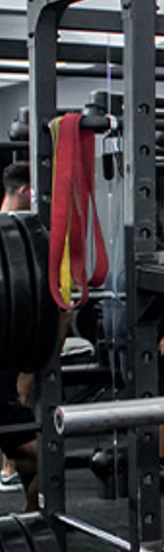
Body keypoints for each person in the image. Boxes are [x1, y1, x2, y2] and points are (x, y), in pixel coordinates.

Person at [0, 163, 38, 510]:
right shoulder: (10, 235)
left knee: (32, 456)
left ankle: (35, 527)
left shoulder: (23, 234)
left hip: (9, 362)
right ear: (26, 190)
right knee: (32, 455)